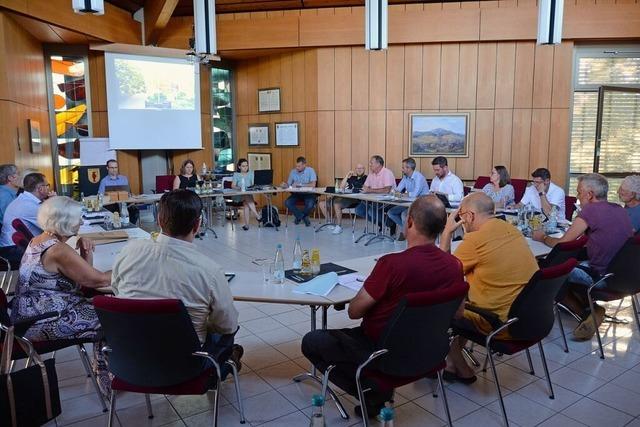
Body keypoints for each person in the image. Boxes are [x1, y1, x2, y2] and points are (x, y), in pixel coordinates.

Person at [302, 195, 464, 417]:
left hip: (382, 351)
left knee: (313, 341)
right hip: (431, 351)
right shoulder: (454, 266)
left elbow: (354, 312)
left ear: (409, 223)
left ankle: (373, 392)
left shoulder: (392, 264)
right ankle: (374, 390)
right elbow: (458, 312)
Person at [111, 190, 243, 374]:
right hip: (187, 367)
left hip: (133, 360)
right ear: (198, 225)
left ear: (159, 220)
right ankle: (226, 360)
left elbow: (116, 291)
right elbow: (227, 325)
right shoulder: (209, 271)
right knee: (226, 333)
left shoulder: (129, 251)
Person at [9, 196, 112, 394]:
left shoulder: (40, 239)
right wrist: (132, 267)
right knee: (111, 316)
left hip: (28, 315)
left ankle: (102, 364)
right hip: (40, 321)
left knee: (105, 305)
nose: (81, 222)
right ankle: (104, 372)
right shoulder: (58, 250)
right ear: (63, 222)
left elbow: (82, 278)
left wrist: (85, 252)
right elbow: (99, 280)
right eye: (78, 219)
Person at [440, 192, 538, 382]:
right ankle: (451, 364)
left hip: (498, 323)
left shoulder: (475, 240)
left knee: (441, 308)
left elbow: (444, 272)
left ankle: (460, 365)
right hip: (529, 319)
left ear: (469, 216)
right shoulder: (511, 229)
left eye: (461, 216)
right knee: (465, 297)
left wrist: (447, 232)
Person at [533, 173, 633, 341]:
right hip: (624, 275)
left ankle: (589, 312)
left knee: (552, 272)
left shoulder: (591, 211)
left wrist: (542, 237)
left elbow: (562, 243)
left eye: (579, 192)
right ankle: (589, 308)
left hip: (601, 276)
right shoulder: (618, 209)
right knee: (567, 262)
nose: (577, 197)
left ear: (590, 194)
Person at [0, 173, 52, 267]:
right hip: (12, 249)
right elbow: (55, 227)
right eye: (47, 185)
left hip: (11, 246)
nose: (49, 188)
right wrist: (55, 202)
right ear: (40, 188)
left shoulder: (24, 199)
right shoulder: (30, 206)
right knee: (57, 253)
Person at [386, 157, 429, 241]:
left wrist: (403, 194)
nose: (402, 170)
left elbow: (415, 194)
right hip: (408, 203)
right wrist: (394, 192)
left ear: (409, 168)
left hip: (421, 204)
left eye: (403, 167)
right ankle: (409, 230)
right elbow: (398, 190)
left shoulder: (418, 177)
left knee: (404, 215)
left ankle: (405, 233)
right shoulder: (405, 177)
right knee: (391, 212)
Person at [320, 163, 367, 235]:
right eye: (357, 168)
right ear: (355, 170)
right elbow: (341, 187)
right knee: (322, 203)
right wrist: (347, 176)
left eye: (361, 168)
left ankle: (338, 226)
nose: (359, 170)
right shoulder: (352, 178)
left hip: (354, 199)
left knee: (336, 204)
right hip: (343, 197)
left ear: (364, 169)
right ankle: (330, 222)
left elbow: (364, 189)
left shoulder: (366, 178)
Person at [354, 156, 396, 225]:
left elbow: (386, 190)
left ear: (378, 164)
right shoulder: (371, 173)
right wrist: (364, 190)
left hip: (386, 201)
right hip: (372, 199)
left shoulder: (387, 173)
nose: (369, 164)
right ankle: (380, 224)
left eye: (371, 163)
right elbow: (365, 187)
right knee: (359, 210)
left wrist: (369, 190)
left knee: (371, 212)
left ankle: (390, 223)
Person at [98, 159, 139, 224]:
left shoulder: (124, 179)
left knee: (134, 210)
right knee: (114, 210)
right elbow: (100, 196)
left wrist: (132, 196)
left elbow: (129, 193)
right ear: (107, 168)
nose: (114, 169)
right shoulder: (104, 181)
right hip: (111, 205)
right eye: (112, 168)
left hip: (125, 204)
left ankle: (130, 227)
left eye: (116, 167)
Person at [282, 156, 318, 226]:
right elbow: (289, 184)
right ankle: (303, 217)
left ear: (304, 165)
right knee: (287, 202)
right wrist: (285, 185)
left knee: (310, 204)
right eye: (296, 166)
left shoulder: (310, 170)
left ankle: (299, 217)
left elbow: (313, 185)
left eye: (299, 166)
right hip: (296, 194)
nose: (297, 168)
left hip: (309, 194)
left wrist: (300, 185)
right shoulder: (293, 172)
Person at [231, 158, 261, 230]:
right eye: (243, 166)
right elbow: (233, 186)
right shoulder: (236, 174)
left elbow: (253, 184)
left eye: (246, 166)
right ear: (239, 167)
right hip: (238, 195)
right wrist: (239, 188)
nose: (245, 167)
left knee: (246, 203)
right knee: (246, 197)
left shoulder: (251, 173)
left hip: (248, 193)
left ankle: (247, 225)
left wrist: (251, 187)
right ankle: (257, 215)